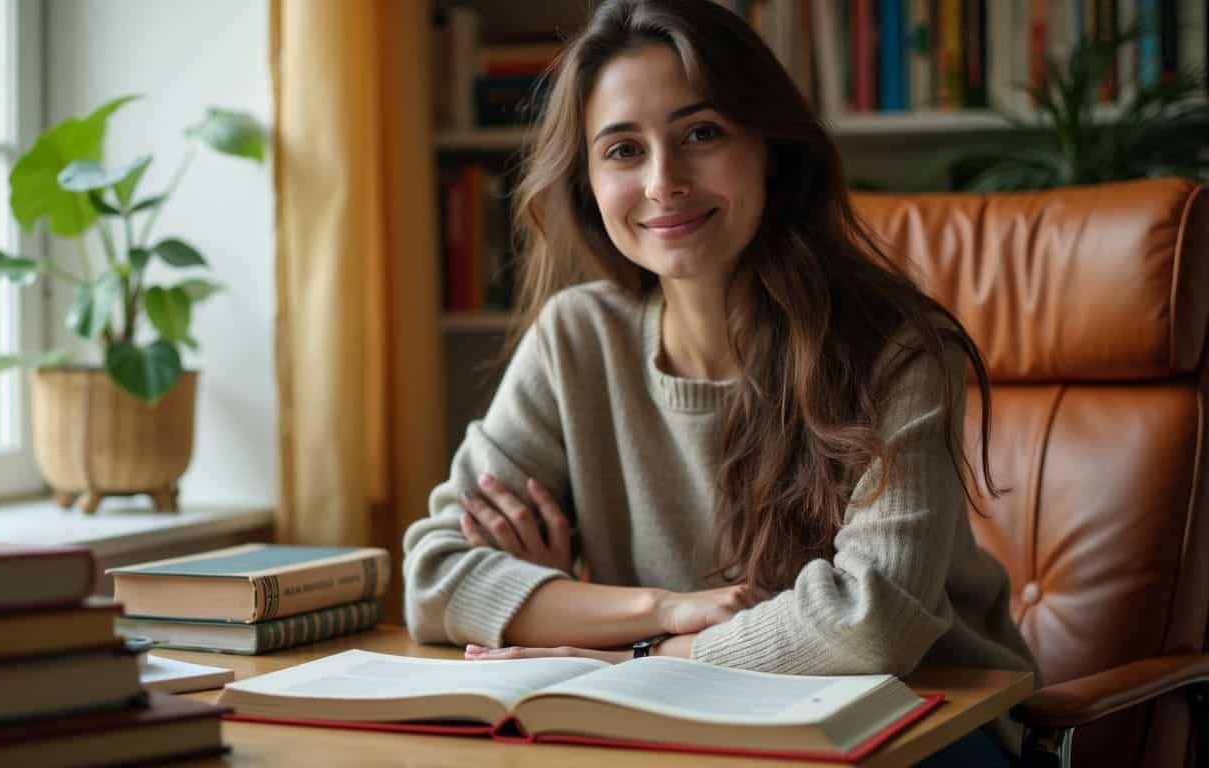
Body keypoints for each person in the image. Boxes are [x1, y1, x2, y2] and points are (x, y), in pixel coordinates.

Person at [402, 1, 1037, 764]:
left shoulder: (895, 348)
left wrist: (619, 660)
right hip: (686, 735)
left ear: (768, 146)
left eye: (701, 134)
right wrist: (665, 609)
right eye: (623, 150)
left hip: (922, 725)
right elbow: (436, 577)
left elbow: (872, 623)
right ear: (589, 182)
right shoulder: (578, 336)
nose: (663, 181)